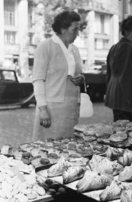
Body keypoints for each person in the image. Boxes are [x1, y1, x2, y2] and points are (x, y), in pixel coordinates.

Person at [32, 11, 85, 141]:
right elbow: (38, 80)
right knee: (48, 149)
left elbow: (79, 74)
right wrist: (43, 110)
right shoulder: (45, 46)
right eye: (74, 30)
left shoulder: (75, 50)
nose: (77, 34)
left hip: (71, 109)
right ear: (63, 29)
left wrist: (81, 79)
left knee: (69, 148)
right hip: (51, 110)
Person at [105, 15, 132, 122]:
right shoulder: (129, 47)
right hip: (128, 103)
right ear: (126, 31)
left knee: (121, 134)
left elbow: (108, 76)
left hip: (117, 100)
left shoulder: (114, 47)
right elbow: (127, 79)